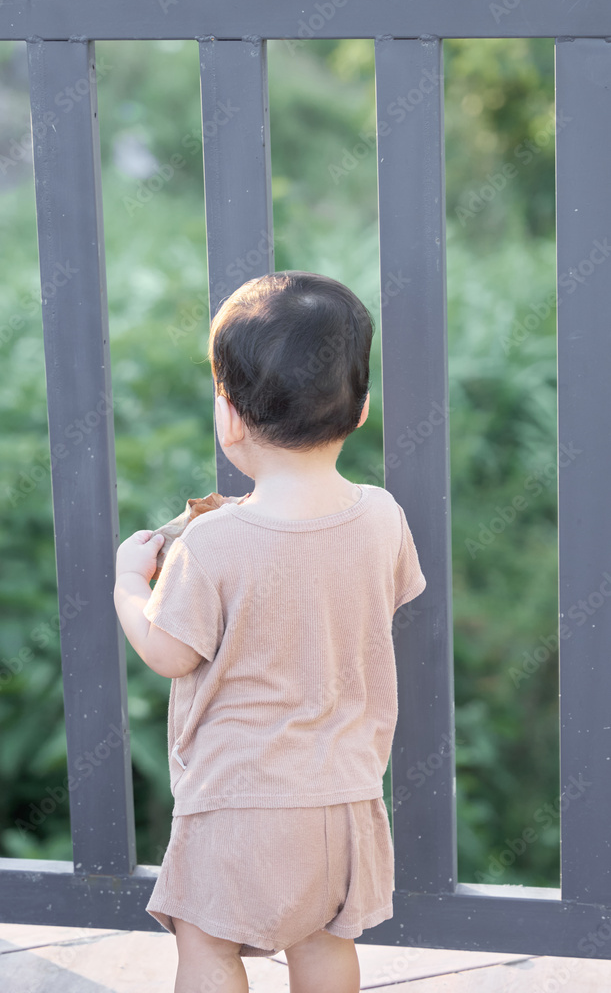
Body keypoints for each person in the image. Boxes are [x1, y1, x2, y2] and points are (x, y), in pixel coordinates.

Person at [114, 270, 427, 993]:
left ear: (228, 415)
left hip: (238, 801)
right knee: (322, 944)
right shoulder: (382, 517)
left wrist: (131, 584)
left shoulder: (212, 543)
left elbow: (169, 652)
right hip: (345, 797)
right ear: (360, 410)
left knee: (208, 949)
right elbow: (355, 598)